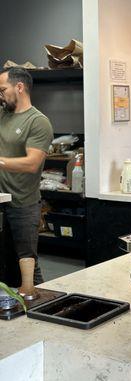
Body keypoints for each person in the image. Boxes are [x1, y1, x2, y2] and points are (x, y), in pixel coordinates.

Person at [0, 67, 53, 286]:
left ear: (19, 87)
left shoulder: (38, 122)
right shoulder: (3, 115)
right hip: (1, 201)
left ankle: (39, 306)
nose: (0, 95)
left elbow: (32, 164)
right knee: (6, 262)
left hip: (23, 204)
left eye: (3, 90)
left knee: (27, 263)